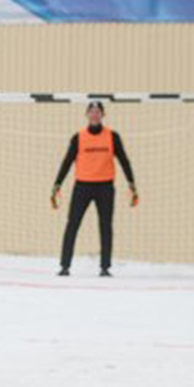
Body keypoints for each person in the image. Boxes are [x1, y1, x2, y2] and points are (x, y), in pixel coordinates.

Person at [51, 101, 137, 277]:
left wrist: (131, 182)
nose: (95, 114)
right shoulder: (79, 137)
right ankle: (65, 266)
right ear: (87, 114)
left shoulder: (112, 136)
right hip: (82, 186)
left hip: (105, 187)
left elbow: (123, 160)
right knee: (72, 224)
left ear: (102, 114)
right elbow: (67, 161)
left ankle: (105, 267)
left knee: (105, 226)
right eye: (91, 111)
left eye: (98, 111)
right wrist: (57, 183)